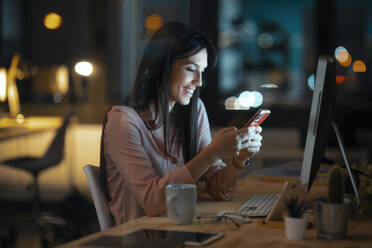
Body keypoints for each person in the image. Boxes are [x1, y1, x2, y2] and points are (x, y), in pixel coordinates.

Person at [100, 22, 263, 225]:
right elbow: (152, 201)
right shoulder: (123, 121)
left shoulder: (193, 111)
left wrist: (239, 160)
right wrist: (212, 152)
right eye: (191, 69)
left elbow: (217, 188)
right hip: (139, 234)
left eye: (202, 71)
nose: (199, 81)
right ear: (161, 66)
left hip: (178, 227)